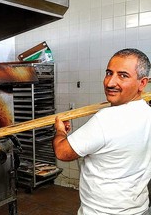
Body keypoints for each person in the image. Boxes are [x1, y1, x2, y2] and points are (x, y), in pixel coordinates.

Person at [53, 48, 151, 215]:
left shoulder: (106, 120)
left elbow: (62, 152)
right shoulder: (147, 112)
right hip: (139, 209)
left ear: (142, 83)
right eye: (108, 73)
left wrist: (60, 132)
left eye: (123, 75)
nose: (110, 82)